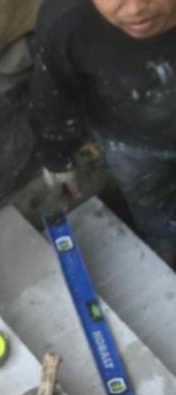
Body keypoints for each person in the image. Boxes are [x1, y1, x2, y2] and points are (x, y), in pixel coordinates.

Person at [31, 0, 176, 265]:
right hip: (131, 145)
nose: (134, 10)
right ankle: (164, 255)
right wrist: (57, 155)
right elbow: (53, 92)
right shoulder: (67, 20)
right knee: (153, 210)